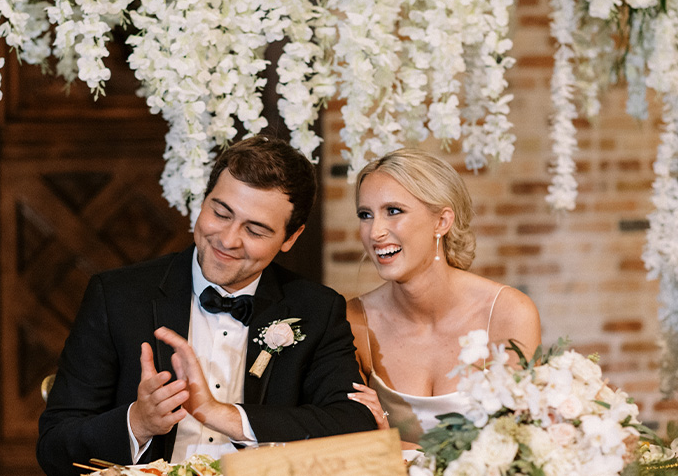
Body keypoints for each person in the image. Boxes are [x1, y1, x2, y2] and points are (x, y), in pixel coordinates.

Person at [37, 136, 376, 475]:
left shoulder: (317, 309)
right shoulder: (117, 296)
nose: (227, 240)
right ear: (204, 201)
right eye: (220, 213)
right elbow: (54, 446)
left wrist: (221, 414)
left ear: (291, 237)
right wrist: (138, 422)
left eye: (255, 230)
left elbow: (355, 426)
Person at [345, 148, 541, 453]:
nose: (375, 232)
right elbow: (349, 444)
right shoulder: (355, 321)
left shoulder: (509, 314)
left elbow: (524, 442)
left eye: (393, 211)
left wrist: (389, 442)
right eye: (365, 215)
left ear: (442, 221)